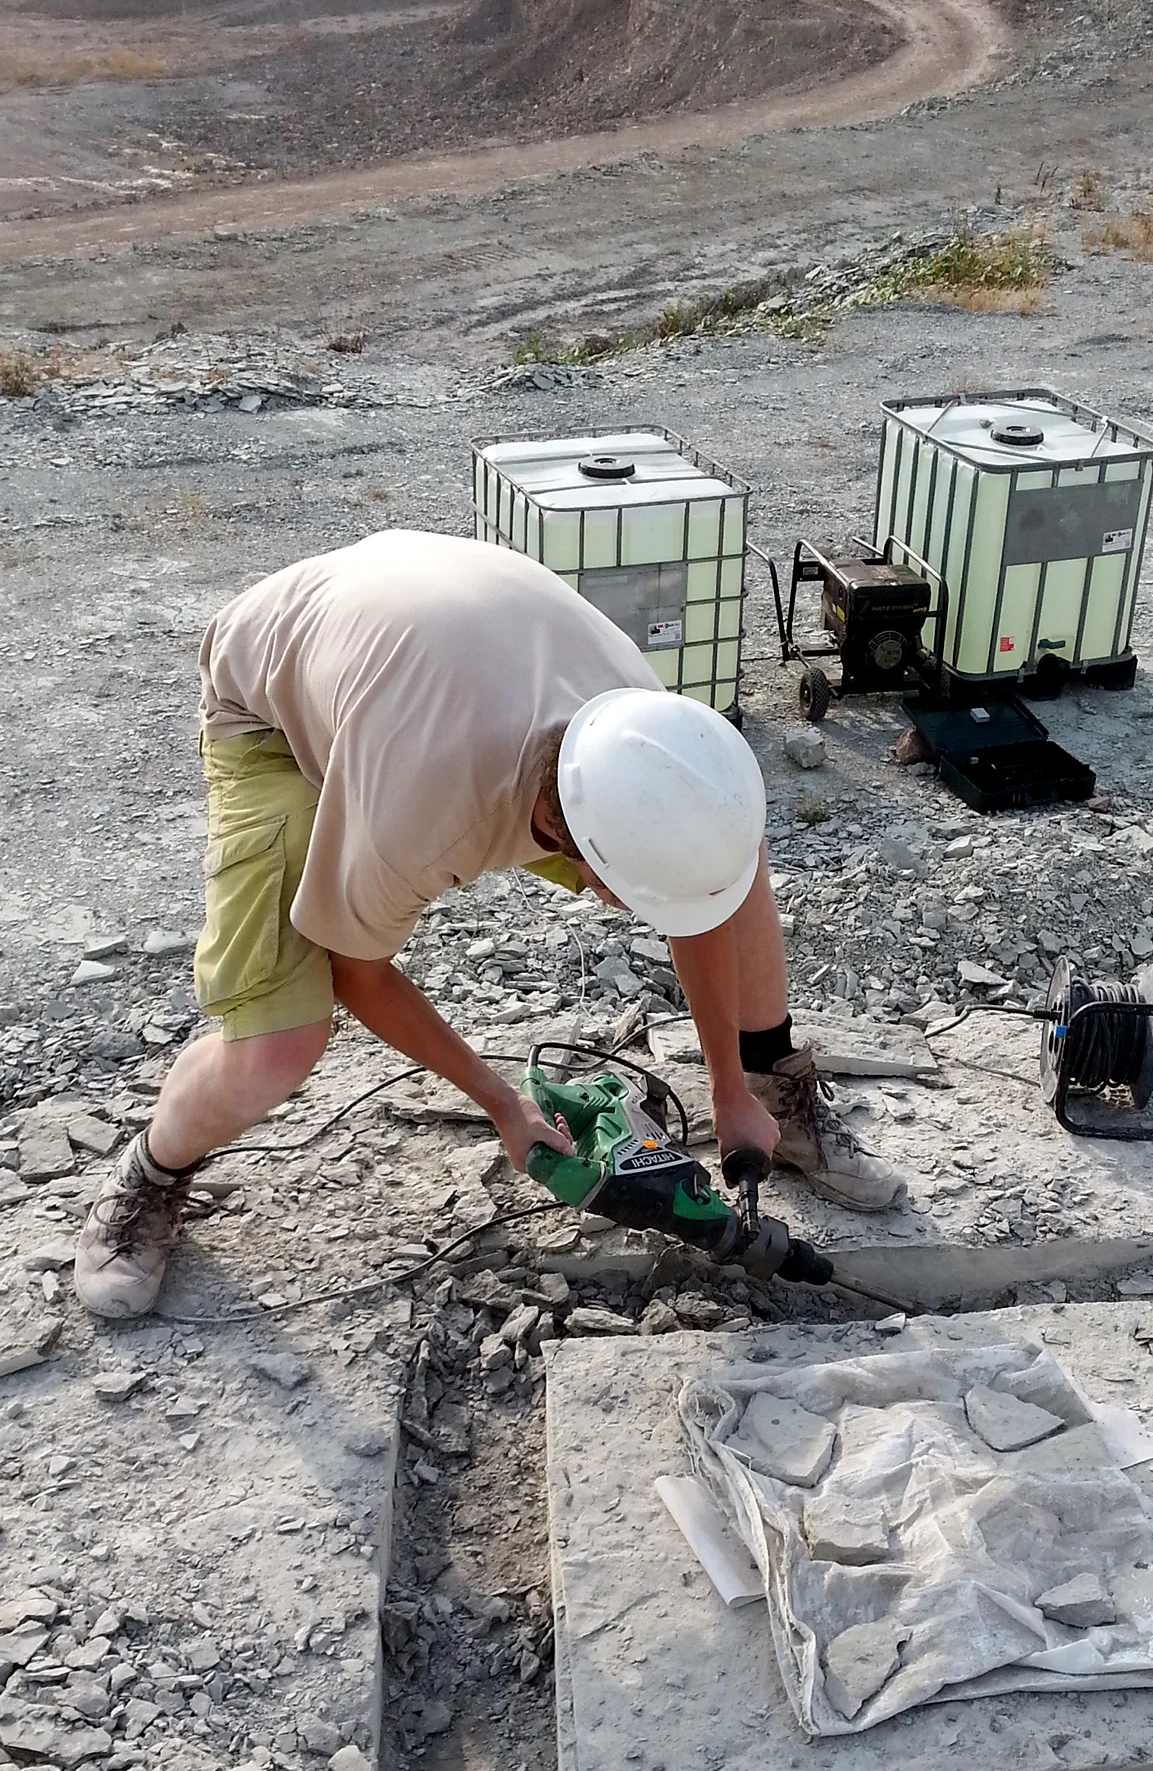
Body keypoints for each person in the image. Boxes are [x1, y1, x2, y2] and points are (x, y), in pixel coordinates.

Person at [75, 531, 903, 1319]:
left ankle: (775, 1094)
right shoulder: (425, 817)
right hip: (272, 699)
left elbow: (700, 890)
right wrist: (502, 1104)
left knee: (731, 851)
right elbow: (357, 969)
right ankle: (152, 1171)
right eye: (627, 888)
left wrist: (726, 1086)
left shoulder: (646, 735)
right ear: (566, 848)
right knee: (277, 1046)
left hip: (421, 636)